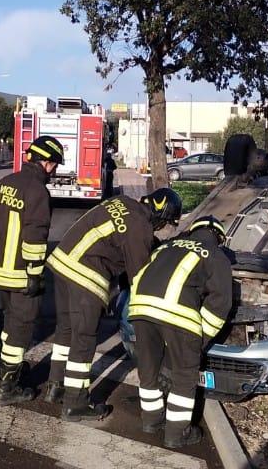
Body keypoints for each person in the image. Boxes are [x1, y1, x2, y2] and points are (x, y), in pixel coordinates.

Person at [44, 188, 183, 421]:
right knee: (84, 339)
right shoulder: (141, 229)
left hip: (62, 262)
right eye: (165, 222)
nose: (161, 228)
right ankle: (75, 403)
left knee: (66, 330)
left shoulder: (122, 201)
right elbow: (138, 277)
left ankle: (56, 385)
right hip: (85, 274)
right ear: (161, 215)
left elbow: (118, 239)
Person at [128, 216, 232, 449]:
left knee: (148, 367)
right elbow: (220, 303)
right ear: (219, 238)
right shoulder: (215, 255)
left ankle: (151, 421)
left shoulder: (167, 246)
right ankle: (177, 433)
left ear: (193, 231)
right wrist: (200, 337)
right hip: (177, 314)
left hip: (140, 307)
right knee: (185, 375)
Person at [0, 135, 65, 404]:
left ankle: (12, 369)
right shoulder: (38, 192)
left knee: (10, 325)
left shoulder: (4, 183)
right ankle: (7, 388)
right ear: (46, 163)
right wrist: (34, 274)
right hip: (21, 275)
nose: (54, 171)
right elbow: (35, 238)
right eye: (54, 165)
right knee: (20, 330)